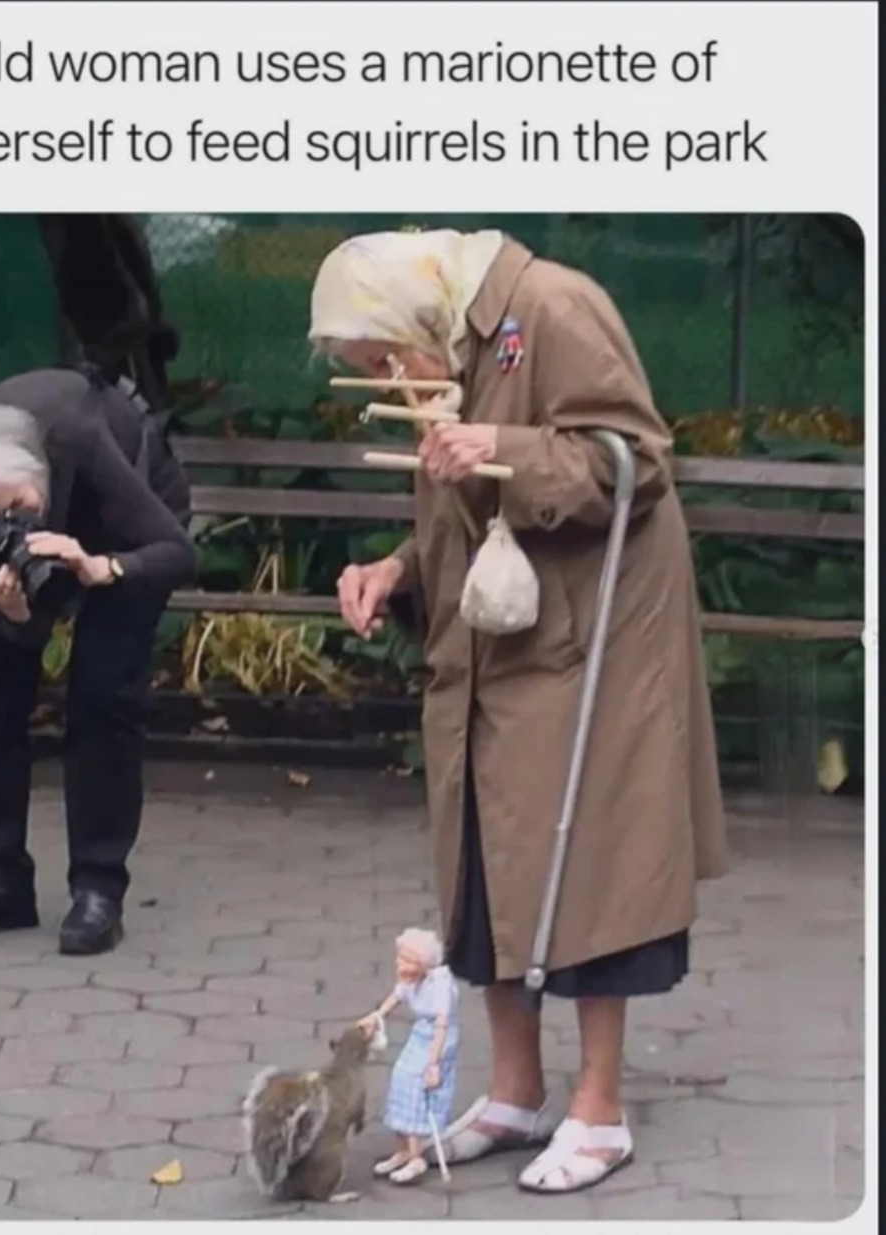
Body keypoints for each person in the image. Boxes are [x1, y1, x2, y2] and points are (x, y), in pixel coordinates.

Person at [309, 229, 728, 1194]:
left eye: (380, 356)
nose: (383, 374)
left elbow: (636, 461)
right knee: (485, 863)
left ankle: (600, 1108)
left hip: (596, 644)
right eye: (366, 369)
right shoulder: (452, 350)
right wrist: (395, 570)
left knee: (593, 866)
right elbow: (467, 521)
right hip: (496, 644)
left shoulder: (552, 308)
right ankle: (512, 1091)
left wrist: (505, 444)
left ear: (418, 313)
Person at [0, 366, 195, 955]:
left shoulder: (75, 439)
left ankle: (98, 888)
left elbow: (176, 553)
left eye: (21, 507)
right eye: (1, 523)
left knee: (104, 694)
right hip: (25, 526)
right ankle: (2, 879)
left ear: (28, 470)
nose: (20, 526)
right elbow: (28, 633)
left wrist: (102, 568)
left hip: (133, 529)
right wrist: (16, 619)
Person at [359, 928, 461, 1185]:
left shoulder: (439, 985)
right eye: (399, 958)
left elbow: (442, 1025)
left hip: (440, 1039)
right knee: (400, 1078)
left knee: (418, 1087)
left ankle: (417, 1156)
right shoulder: (410, 980)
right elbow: (396, 998)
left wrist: (433, 1063)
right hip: (422, 1033)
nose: (399, 965)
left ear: (422, 963)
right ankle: (402, 1148)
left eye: (406, 960)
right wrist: (377, 1017)